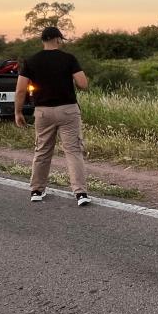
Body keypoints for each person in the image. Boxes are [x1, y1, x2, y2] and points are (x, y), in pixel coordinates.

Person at [14, 26, 92, 206]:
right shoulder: (69, 58)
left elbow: (20, 90)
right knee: (73, 151)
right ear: (58, 39)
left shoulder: (31, 61)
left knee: (42, 150)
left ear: (42, 40)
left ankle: (36, 190)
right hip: (68, 110)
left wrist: (18, 112)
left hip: (43, 112)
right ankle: (80, 193)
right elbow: (83, 84)